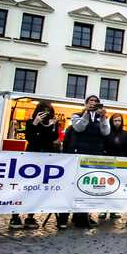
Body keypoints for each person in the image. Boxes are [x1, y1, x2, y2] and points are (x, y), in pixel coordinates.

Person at [65, 95, 110, 228]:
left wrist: (103, 117)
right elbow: (79, 128)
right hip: (80, 154)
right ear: (85, 103)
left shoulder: (101, 117)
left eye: (96, 102)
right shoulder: (77, 115)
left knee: (89, 185)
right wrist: (86, 113)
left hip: (95, 155)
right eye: (91, 101)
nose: (93, 103)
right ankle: (76, 215)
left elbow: (106, 132)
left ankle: (84, 214)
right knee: (77, 185)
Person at [18, 100, 59, 229]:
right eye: (44, 110)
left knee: (38, 188)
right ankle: (15, 215)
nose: (46, 113)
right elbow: (29, 138)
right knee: (23, 187)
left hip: (46, 157)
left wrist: (52, 126)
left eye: (49, 111)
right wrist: (35, 123)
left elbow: (53, 138)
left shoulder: (53, 123)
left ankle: (30, 216)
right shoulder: (31, 122)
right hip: (32, 156)